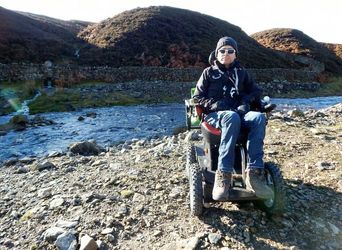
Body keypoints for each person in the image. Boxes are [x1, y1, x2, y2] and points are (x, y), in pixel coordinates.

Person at [193, 36, 273, 201]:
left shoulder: (242, 73)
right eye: (222, 51)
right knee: (231, 117)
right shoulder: (208, 73)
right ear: (216, 53)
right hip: (216, 115)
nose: (226, 53)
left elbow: (255, 92)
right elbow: (197, 97)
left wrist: (246, 102)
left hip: (240, 112)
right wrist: (216, 105)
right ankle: (223, 175)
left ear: (235, 54)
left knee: (258, 117)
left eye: (230, 51)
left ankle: (254, 174)